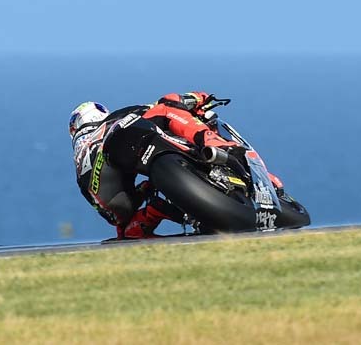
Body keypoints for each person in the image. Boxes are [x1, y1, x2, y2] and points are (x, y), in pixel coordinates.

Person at [69, 92, 284, 239]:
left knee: (127, 226)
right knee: (167, 105)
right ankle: (216, 144)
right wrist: (199, 98)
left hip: (112, 202)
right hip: (122, 142)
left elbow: (104, 208)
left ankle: (164, 211)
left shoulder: (79, 162)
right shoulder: (114, 120)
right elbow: (158, 107)